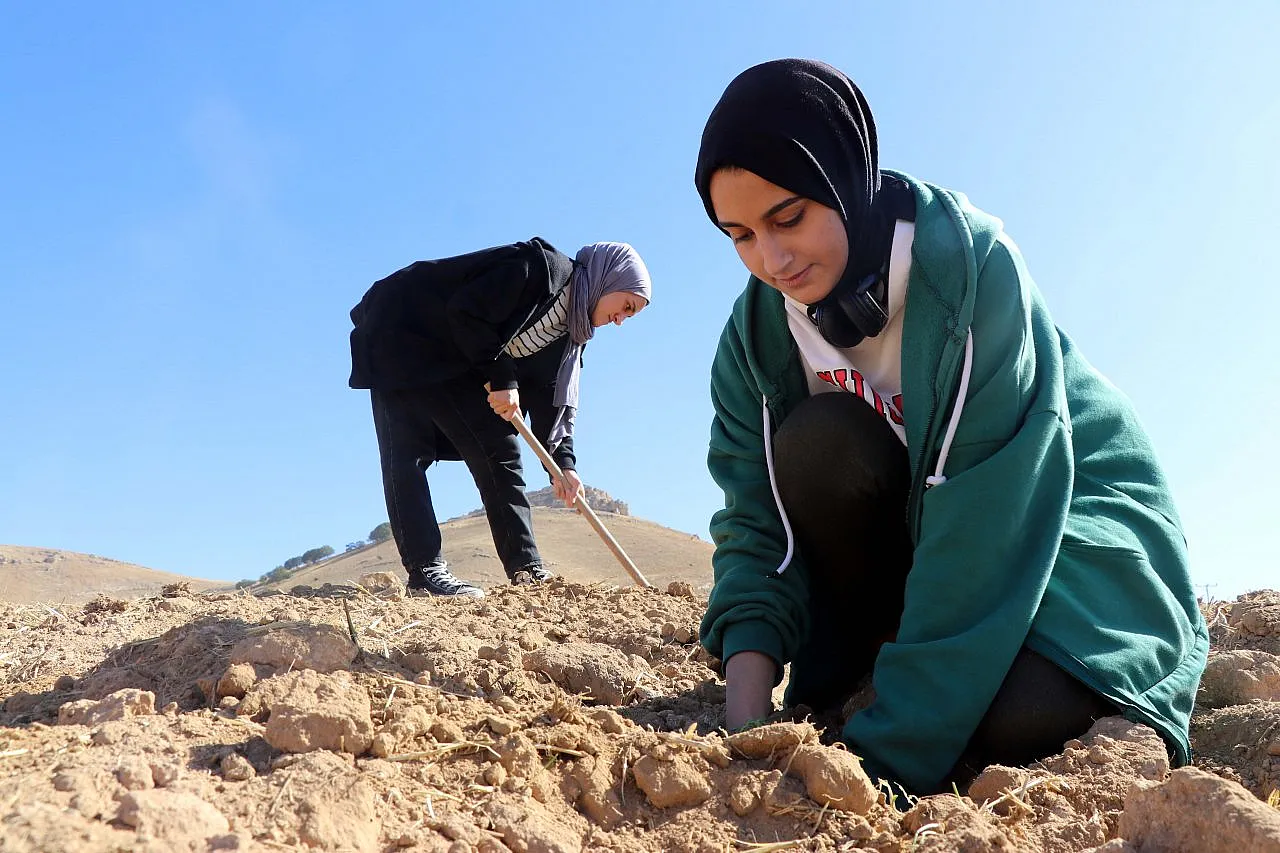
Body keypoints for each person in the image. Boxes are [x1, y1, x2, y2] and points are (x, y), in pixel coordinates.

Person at [693, 59, 1207, 796]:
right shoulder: (755, 339)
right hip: (930, 553)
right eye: (738, 234)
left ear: (845, 179)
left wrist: (876, 764)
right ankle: (881, 674)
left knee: (1020, 714)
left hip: (1062, 518)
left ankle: (916, 689)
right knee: (814, 445)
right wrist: (743, 722)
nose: (770, 260)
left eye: (789, 217)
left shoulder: (970, 272)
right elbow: (756, 522)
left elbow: (986, 525)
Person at [349, 238, 651, 598]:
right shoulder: (540, 269)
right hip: (403, 328)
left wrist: (564, 466)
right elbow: (467, 311)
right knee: (410, 453)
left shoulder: (569, 337)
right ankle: (426, 571)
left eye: (629, 316)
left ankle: (526, 572)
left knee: (498, 451)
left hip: (456, 359)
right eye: (626, 306)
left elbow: (550, 403)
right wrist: (503, 377)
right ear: (608, 279)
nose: (620, 320)